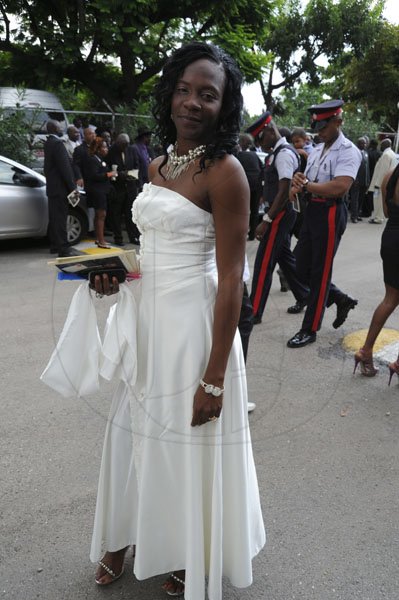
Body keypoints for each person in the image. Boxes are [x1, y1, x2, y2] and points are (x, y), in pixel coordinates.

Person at [91, 41, 265, 599]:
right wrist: (114, 272)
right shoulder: (159, 164)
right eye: (185, 91)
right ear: (170, 94)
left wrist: (214, 376)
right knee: (131, 435)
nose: (193, 103)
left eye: (208, 95)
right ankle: (124, 533)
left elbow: (232, 279)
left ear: (223, 105)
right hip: (147, 323)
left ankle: (190, 547)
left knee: (183, 444)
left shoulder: (226, 172)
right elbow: (153, 250)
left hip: (195, 329)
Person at [287, 99, 361, 348]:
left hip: (330, 212)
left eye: (324, 126)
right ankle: (339, 297)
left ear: (338, 122)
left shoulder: (349, 150)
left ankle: (309, 328)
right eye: (317, 127)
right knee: (299, 266)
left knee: (319, 272)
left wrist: (307, 186)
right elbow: (308, 178)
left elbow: (340, 187)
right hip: (312, 210)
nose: (319, 131)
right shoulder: (317, 149)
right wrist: (298, 181)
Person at [247, 112, 308, 324]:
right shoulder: (278, 151)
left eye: (260, 138)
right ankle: (305, 294)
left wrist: (267, 221)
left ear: (269, 131)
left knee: (264, 262)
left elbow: (284, 191)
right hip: (280, 212)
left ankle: (254, 312)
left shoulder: (284, 154)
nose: (259, 144)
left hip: (280, 213)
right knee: (285, 258)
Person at [354, 164, 399, 380]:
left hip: (390, 237)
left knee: (389, 299)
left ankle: (366, 351)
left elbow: (388, 211)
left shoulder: (390, 175)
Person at [43, 120, 79, 257]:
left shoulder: (48, 143)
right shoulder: (58, 144)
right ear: (55, 129)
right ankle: (64, 248)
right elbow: (65, 168)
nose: (62, 129)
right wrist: (72, 187)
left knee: (54, 218)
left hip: (53, 187)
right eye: (59, 127)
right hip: (60, 188)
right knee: (60, 218)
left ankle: (54, 245)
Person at [107, 133, 141, 245]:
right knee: (116, 213)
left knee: (130, 213)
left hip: (130, 187)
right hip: (117, 187)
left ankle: (133, 237)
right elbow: (108, 169)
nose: (124, 147)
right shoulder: (111, 151)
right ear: (117, 143)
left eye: (126, 145)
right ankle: (118, 237)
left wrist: (127, 174)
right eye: (122, 145)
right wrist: (120, 175)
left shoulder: (131, 150)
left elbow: (136, 167)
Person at [85, 136, 117, 249]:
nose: (106, 149)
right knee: (101, 215)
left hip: (102, 190)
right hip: (97, 191)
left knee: (99, 215)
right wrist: (109, 174)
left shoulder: (100, 160)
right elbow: (94, 175)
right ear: (98, 148)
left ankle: (98, 238)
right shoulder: (92, 159)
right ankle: (101, 240)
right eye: (104, 147)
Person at [236, 132, 262, 240]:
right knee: (254, 211)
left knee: (242, 211)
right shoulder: (255, 155)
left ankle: (240, 234)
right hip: (256, 186)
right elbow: (262, 167)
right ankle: (252, 235)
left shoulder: (238, 156)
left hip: (244, 187)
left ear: (241, 142)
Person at [368, 139, 398, 224]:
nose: (380, 147)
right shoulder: (392, 154)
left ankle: (378, 218)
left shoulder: (386, 155)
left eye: (381, 145)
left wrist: (378, 184)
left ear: (385, 145)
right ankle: (379, 216)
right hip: (389, 181)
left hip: (381, 183)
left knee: (378, 201)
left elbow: (383, 171)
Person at [349, 137, 370, 223]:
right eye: (362, 143)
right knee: (355, 199)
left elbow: (367, 168)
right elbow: (353, 167)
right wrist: (355, 179)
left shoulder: (365, 153)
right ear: (358, 144)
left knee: (361, 199)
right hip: (356, 181)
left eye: (365, 143)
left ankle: (357, 214)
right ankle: (354, 216)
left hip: (364, 181)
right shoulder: (354, 153)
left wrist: (368, 180)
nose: (364, 145)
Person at [132, 126, 153, 190]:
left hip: (148, 182)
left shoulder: (147, 149)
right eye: (149, 137)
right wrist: (139, 184)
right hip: (139, 184)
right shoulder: (134, 148)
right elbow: (134, 167)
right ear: (144, 137)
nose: (150, 139)